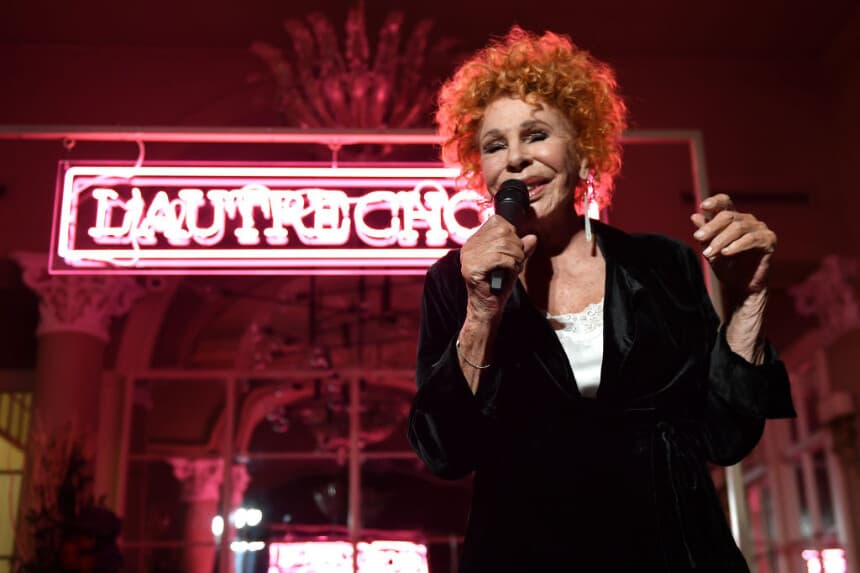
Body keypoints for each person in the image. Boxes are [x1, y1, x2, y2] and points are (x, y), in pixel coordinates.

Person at [407, 27, 795, 572]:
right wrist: (481, 312)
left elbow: (724, 436)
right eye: (494, 145)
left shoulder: (663, 265)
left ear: (584, 150)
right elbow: (444, 451)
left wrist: (749, 299)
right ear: (481, 170)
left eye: (536, 135)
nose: (515, 159)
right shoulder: (454, 283)